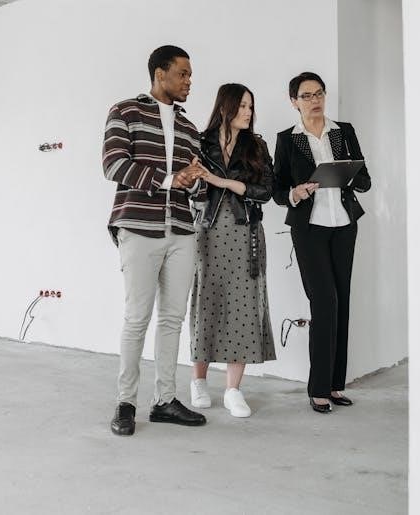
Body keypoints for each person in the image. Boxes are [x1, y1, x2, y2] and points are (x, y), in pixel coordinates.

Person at [103, 45, 209, 436]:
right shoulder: (125, 111)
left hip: (181, 230)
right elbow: (113, 164)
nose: (189, 81)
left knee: (172, 319)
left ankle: (165, 400)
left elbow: (196, 186)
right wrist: (167, 179)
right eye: (183, 73)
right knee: (137, 318)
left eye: (190, 75)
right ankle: (126, 402)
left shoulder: (190, 129)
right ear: (159, 74)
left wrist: (192, 183)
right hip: (138, 226)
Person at [272, 71, 372, 414]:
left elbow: (365, 180)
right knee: (324, 302)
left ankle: (334, 384)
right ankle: (318, 388)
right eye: (307, 96)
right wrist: (295, 193)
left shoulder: (343, 132)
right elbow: (277, 189)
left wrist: (348, 174)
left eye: (319, 94)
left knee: (341, 302)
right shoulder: (288, 139)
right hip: (309, 229)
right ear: (294, 102)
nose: (315, 101)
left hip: (344, 226)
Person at [188, 83, 276, 418]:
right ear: (225, 107)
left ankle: (233, 389)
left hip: (245, 233)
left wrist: (223, 182)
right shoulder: (200, 142)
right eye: (241, 106)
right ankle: (198, 381)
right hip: (208, 232)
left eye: (250, 106)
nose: (248, 112)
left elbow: (265, 191)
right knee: (206, 302)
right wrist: (197, 182)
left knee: (244, 306)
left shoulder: (256, 146)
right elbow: (190, 188)